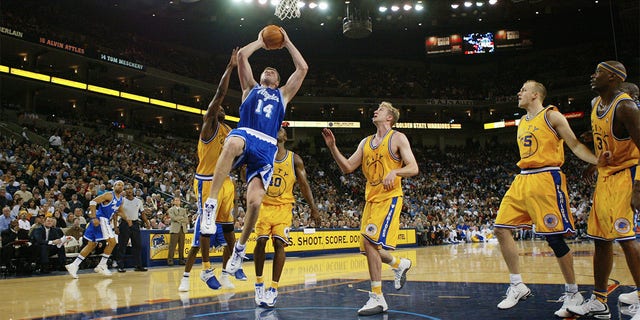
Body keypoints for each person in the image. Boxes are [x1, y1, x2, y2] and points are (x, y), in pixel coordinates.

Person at [492, 80, 605, 317]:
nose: (518, 92)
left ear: (535, 95)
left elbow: (574, 144)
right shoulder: (522, 121)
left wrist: (598, 162)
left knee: (554, 239)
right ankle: (517, 285)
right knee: (501, 228)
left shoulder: (552, 116)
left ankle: (573, 292)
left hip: (547, 178)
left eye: (523, 90)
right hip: (523, 178)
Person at [202, 27, 308, 276]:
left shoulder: (282, 95)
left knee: (255, 202)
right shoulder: (250, 88)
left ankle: (239, 251)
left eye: (274, 71)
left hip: (267, 145)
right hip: (247, 132)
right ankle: (211, 204)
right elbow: (241, 57)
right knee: (230, 143)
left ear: (278, 81)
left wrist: (288, 42)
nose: (269, 70)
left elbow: (302, 69)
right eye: (266, 70)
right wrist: (260, 42)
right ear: (260, 78)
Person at [321, 101, 418, 316]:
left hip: (390, 198)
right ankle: (399, 264)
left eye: (381, 110)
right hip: (371, 200)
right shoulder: (366, 142)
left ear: (389, 118)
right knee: (369, 248)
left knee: (369, 242)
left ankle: (377, 297)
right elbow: (347, 168)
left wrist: (396, 172)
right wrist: (332, 147)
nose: (376, 111)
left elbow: (413, 167)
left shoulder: (398, 138)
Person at [567, 62, 640, 320]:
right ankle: (599, 300)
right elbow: (606, 136)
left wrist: (638, 187)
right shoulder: (595, 104)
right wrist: (597, 161)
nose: (592, 75)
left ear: (612, 78)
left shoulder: (626, 106)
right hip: (606, 176)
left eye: (597, 72)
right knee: (600, 239)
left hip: (627, 177)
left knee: (626, 239)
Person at [178, 48, 238, 292]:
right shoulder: (209, 126)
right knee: (205, 228)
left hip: (225, 182)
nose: (222, 109)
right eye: (217, 108)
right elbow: (220, 93)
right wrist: (231, 67)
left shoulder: (229, 131)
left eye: (223, 108)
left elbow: (234, 157)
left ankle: (226, 273)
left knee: (229, 231)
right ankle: (203, 270)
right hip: (206, 181)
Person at [254, 126, 321, 307]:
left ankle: (273, 289)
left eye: (280, 130)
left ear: (285, 136)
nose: (277, 131)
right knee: (260, 242)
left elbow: (304, 185)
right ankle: (259, 283)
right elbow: (249, 176)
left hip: (283, 208)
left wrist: (313, 208)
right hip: (264, 206)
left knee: (278, 244)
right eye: (274, 129)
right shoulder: (262, 155)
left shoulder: (294, 160)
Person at [65, 180, 127, 279]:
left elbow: (120, 212)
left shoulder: (121, 199)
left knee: (91, 244)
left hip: (102, 221)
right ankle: (102, 265)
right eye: (118, 184)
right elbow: (93, 202)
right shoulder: (109, 195)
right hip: (100, 219)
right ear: (113, 187)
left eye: (122, 185)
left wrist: (130, 219)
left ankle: (74, 265)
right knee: (112, 242)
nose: (120, 186)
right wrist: (93, 217)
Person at [116, 184, 148, 273]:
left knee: (137, 245)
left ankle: (138, 265)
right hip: (124, 223)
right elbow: (116, 213)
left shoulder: (138, 201)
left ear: (133, 190)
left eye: (130, 189)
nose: (129, 190)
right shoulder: (121, 200)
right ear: (124, 191)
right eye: (127, 189)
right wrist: (116, 226)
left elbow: (142, 213)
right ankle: (120, 266)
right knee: (122, 245)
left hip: (135, 223)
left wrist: (147, 223)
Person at [167, 196, 189, 266]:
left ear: (180, 202)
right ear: (173, 202)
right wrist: (182, 218)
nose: (177, 201)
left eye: (178, 200)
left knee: (182, 246)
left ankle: (181, 260)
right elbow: (173, 218)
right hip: (174, 229)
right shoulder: (171, 209)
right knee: (172, 246)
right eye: (175, 200)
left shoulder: (183, 210)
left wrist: (179, 218)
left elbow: (186, 220)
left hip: (182, 229)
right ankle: (170, 260)